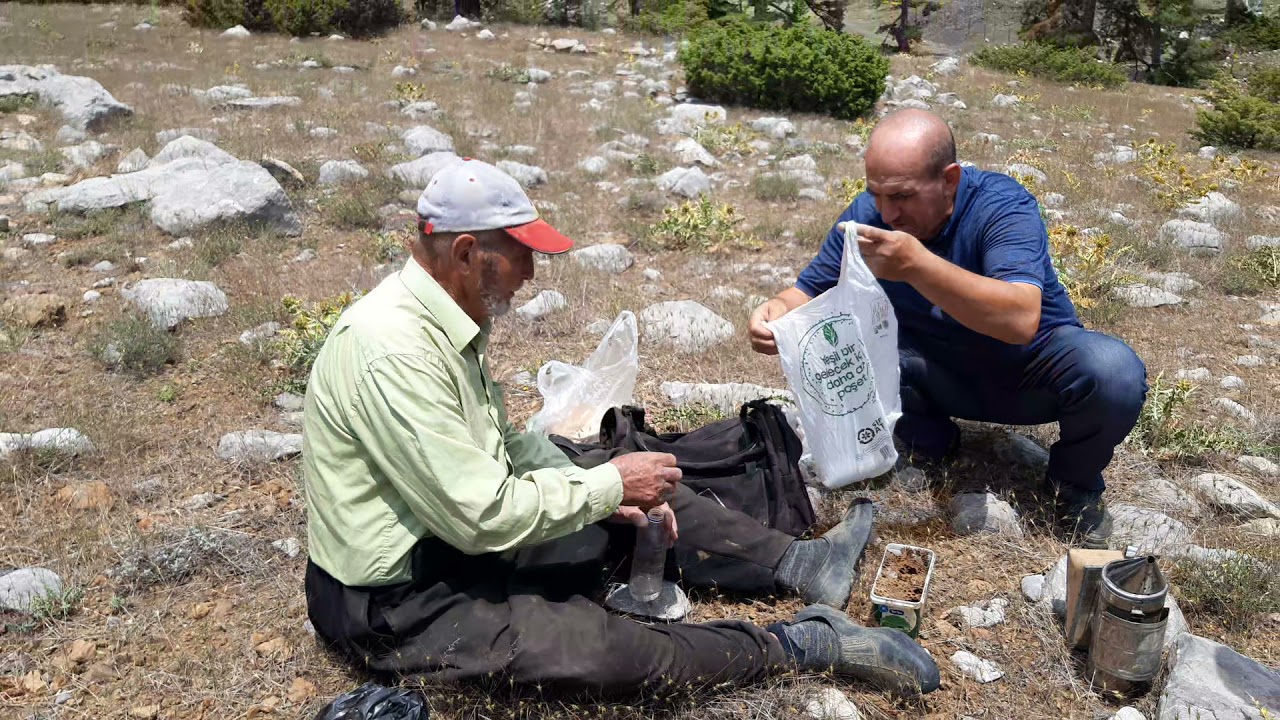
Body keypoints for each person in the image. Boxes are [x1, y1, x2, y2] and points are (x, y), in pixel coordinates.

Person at [301, 158, 940, 699]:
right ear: (467, 253)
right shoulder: (395, 348)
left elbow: (503, 444)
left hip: (457, 539)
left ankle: (800, 563)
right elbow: (480, 515)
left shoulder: (446, 319)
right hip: (397, 595)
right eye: (520, 255)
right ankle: (795, 645)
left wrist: (605, 487)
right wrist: (606, 489)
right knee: (597, 651)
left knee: (635, 485)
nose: (529, 275)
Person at [749, 109, 1148, 549]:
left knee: (1113, 371)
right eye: (876, 194)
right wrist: (776, 312)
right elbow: (806, 291)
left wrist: (918, 266)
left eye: (901, 195)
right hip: (933, 375)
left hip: (1026, 374)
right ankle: (928, 442)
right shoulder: (870, 217)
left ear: (950, 179)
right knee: (848, 342)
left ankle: (1073, 481)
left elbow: (1019, 321)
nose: (887, 211)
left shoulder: (1002, 206)